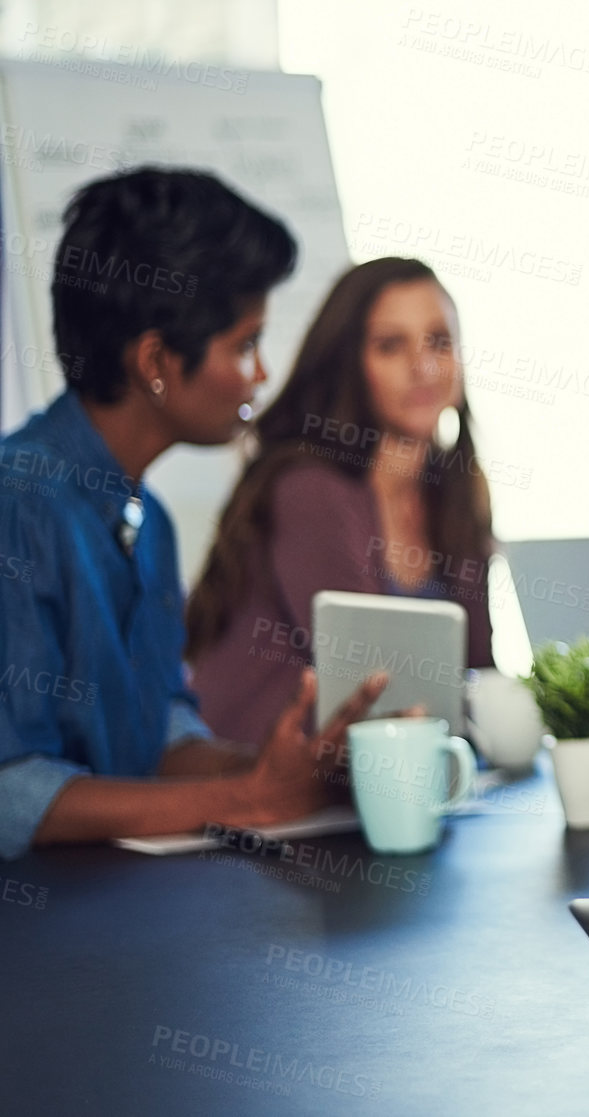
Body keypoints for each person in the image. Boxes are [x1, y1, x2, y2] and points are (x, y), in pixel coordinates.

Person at [0, 168, 389, 861]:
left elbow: (162, 737)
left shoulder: (148, 520)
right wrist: (245, 799)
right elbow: (11, 789)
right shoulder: (17, 502)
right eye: (244, 345)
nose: (260, 375)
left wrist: (282, 768)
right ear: (155, 361)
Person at [184, 258, 495, 746]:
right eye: (391, 346)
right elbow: (375, 685)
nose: (424, 367)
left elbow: (479, 673)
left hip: (385, 770)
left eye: (440, 341)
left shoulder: (453, 490)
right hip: (259, 780)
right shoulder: (309, 488)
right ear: (348, 363)